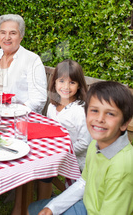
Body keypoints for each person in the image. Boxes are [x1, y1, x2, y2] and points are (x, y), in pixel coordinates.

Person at [28, 81, 133, 215]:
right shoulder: (94, 145)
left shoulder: (122, 167)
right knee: (32, 209)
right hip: (86, 205)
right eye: (94, 111)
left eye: (110, 114)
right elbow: (84, 182)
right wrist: (53, 207)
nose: (100, 119)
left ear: (124, 123)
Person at [37, 59, 91, 200]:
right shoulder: (52, 107)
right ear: (54, 82)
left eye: (72, 82)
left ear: (79, 85)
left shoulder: (79, 110)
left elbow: (85, 143)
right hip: (55, 154)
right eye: (61, 81)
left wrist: (62, 152)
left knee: (44, 167)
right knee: (37, 162)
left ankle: (50, 200)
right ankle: (44, 197)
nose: (66, 86)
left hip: (76, 161)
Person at [0, 14, 47, 113]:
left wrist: (11, 113)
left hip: (19, 118)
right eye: (3, 32)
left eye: (13, 33)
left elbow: (38, 100)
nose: (7, 37)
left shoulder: (32, 60)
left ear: (21, 36)